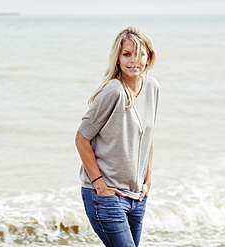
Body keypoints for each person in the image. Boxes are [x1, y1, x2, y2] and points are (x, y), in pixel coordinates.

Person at [75, 26, 159, 247]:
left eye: (141, 53)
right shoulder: (114, 91)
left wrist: (148, 180)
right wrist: (99, 184)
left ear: (149, 57)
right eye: (127, 54)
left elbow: (147, 137)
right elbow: (81, 139)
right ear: (118, 59)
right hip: (106, 196)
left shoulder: (152, 88)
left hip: (137, 196)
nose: (135, 60)